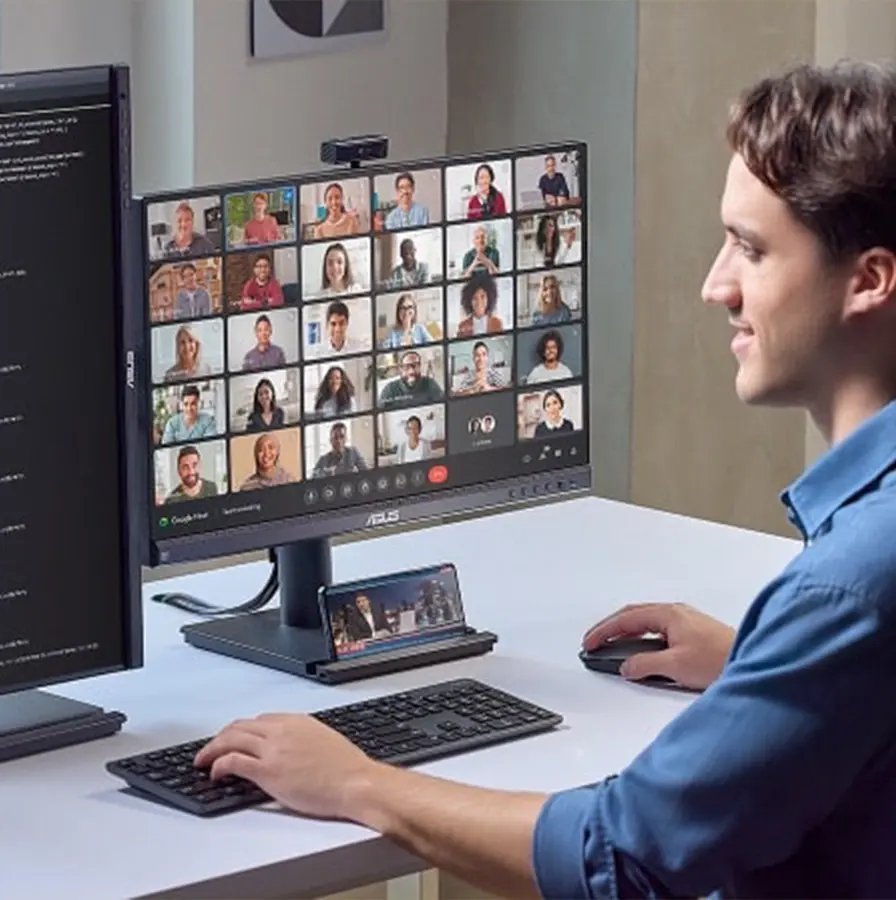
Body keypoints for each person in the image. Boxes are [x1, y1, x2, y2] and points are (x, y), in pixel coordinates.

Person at [193, 61, 896, 898]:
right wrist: (764, 672)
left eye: (751, 248)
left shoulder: (850, 588)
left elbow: (622, 859)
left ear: (869, 280)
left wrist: (355, 782)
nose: (716, 286)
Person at [378, 349, 444, 407]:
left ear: (420, 367)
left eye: (415, 365)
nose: (411, 371)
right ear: (401, 369)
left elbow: (442, 404)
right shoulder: (390, 389)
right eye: (407, 367)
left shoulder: (430, 383)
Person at [455, 271, 504, 337]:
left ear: (489, 298)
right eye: (474, 298)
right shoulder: (463, 325)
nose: (479, 301)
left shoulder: (497, 323)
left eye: (482, 296)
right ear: (469, 301)